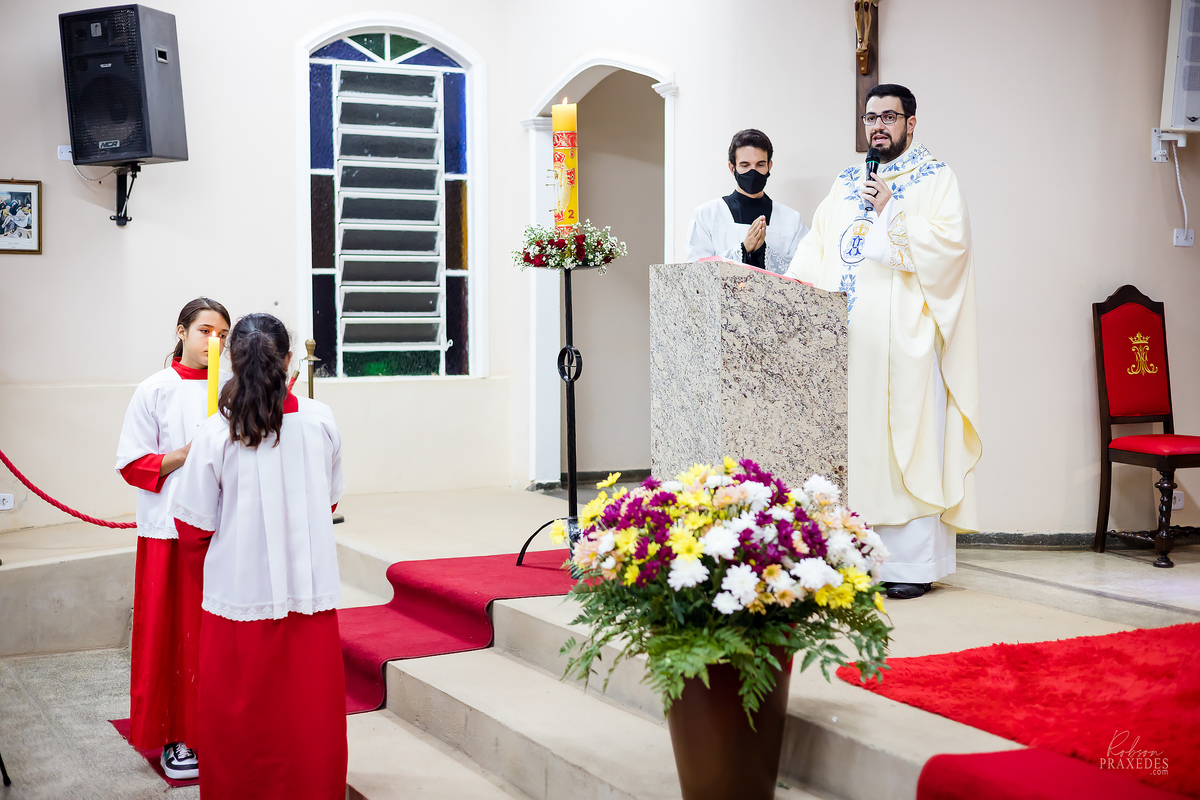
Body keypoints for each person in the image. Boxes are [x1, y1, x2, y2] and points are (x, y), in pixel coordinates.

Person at [785, 84, 981, 600]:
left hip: (904, 349)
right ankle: (847, 561)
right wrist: (790, 291)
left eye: (889, 117)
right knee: (850, 452)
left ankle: (909, 568)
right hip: (847, 345)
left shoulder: (936, 178)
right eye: (871, 117)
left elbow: (951, 251)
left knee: (901, 453)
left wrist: (893, 211)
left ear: (911, 124)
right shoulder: (847, 180)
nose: (878, 126)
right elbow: (818, 245)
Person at [171, 313, 346, 800]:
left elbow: (193, 528)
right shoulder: (320, 420)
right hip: (309, 593)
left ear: (231, 362)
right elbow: (329, 500)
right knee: (309, 712)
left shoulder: (214, 433)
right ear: (288, 361)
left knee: (241, 713)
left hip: (238, 594)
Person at [115, 297, 232, 779]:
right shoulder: (155, 389)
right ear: (181, 331)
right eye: (205, 331)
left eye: (222, 334)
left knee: (214, 639)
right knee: (171, 638)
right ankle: (173, 735)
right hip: (167, 531)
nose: (213, 342)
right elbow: (132, 462)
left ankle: (216, 731)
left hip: (223, 531)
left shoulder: (233, 388)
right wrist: (185, 454)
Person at [685, 128, 809, 274]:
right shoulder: (707, 215)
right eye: (745, 165)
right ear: (732, 168)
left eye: (760, 165)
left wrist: (763, 253)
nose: (753, 171)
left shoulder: (791, 220)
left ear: (769, 166)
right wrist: (743, 250)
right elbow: (695, 273)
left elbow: (804, 270)